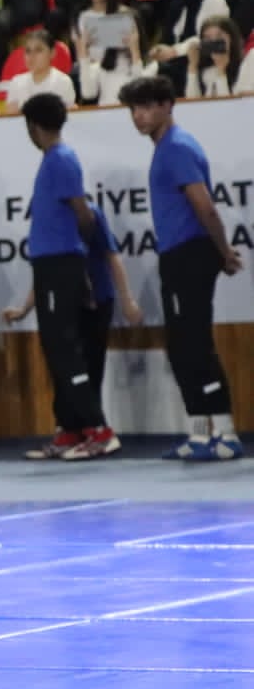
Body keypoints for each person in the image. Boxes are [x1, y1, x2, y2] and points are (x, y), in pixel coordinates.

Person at [119, 75, 245, 460]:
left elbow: (204, 204)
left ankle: (224, 433)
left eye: (147, 107)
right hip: (179, 254)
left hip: (190, 253)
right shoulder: (167, 149)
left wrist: (223, 251)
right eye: (134, 109)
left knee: (194, 344)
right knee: (182, 346)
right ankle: (200, 433)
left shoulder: (175, 148)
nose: (139, 116)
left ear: (167, 106)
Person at [0, 93, 122, 460]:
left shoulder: (61, 160)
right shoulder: (54, 161)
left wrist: (77, 264)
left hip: (60, 265)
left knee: (66, 351)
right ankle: (70, 431)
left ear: (33, 127)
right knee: (58, 352)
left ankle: (99, 430)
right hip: (52, 266)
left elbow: (83, 215)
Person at [5, 29, 76, 112]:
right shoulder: (16, 82)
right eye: (28, 51)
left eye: (38, 50)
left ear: (52, 53)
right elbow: (11, 119)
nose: (32, 56)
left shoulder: (63, 82)